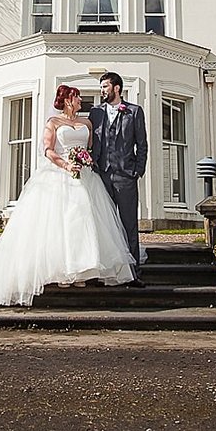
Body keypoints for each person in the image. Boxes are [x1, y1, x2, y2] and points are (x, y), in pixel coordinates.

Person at [0, 84, 136, 309]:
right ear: (67, 100)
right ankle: (62, 271)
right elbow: (48, 150)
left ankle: (82, 270)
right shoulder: (53, 123)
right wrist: (66, 163)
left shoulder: (87, 123)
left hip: (84, 177)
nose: (80, 100)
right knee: (61, 223)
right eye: (77, 97)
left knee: (84, 221)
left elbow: (92, 149)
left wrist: (84, 160)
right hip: (59, 175)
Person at [88, 71, 148, 286]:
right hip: (101, 175)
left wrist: (137, 171)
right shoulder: (95, 113)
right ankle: (104, 271)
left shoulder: (134, 112)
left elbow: (142, 144)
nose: (102, 90)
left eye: (105, 86)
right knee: (103, 224)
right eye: (101, 87)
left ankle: (133, 273)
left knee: (128, 224)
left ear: (117, 88)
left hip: (125, 176)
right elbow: (89, 141)